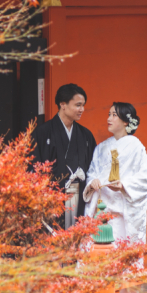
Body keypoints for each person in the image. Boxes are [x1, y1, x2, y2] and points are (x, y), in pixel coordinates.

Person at [83, 102, 147, 252]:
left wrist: (124, 185)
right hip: (101, 212)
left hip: (122, 214)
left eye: (114, 115)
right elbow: (92, 172)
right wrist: (92, 182)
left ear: (125, 121)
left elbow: (146, 176)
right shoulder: (101, 147)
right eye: (109, 114)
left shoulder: (136, 147)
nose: (109, 118)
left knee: (120, 255)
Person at [32, 83, 97, 228]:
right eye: (78, 105)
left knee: (76, 239)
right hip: (51, 200)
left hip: (79, 199)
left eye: (83, 105)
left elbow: (94, 167)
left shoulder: (85, 135)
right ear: (63, 104)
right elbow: (33, 168)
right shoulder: (42, 133)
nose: (82, 109)